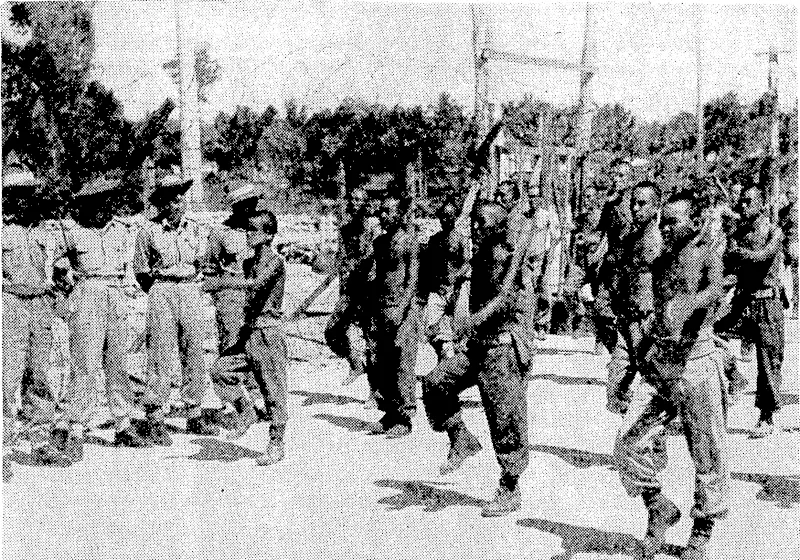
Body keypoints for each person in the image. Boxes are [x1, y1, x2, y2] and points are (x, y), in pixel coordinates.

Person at [613, 191, 729, 560]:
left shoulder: (707, 251)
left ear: (693, 223)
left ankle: (702, 530)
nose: (665, 227)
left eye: (673, 221)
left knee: (707, 456)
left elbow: (715, 289)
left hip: (698, 365)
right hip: (667, 368)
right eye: (664, 221)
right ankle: (659, 507)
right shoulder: (661, 262)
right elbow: (649, 315)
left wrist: (688, 305)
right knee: (632, 444)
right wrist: (629, 372)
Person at [422, 201, 532, 517]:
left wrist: (473, 319)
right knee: (435, 383)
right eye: (473, 222)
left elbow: (505, 298)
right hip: (476, 346)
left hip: (502, 349)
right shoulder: (480, 256)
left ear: (498, 226)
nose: (475, 228)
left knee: (505, 421)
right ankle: (460, 436)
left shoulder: (502, 255)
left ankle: (509, 486)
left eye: (482, 223)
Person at [52, 178, 149, 459]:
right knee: (86, 363)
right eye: (96, 202)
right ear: (87, 204)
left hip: (117, 293)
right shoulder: (73, 233)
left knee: (117, 361)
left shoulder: (122, 230)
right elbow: (59, 267)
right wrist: (71, 288)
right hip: (88, 293)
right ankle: (76, 428)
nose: (103, 207)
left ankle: (123, 423)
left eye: (107, 201)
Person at [133, 175, 219, 445]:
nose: (179, 201)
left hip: (190, 289)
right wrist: (160, 289)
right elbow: (141, 270)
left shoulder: (195, 229)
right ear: (162, 202)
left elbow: (204, 262)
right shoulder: (149, 230)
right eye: (172, 197)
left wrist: (191, 284)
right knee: (160, 352)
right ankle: (155, 414)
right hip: (162, 289)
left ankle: (194, 411)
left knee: (193, 349)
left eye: (181, 195)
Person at [208, 210, 289, 465]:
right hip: (250, 331)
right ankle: (246, 411)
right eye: (246, 230)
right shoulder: (249, 263)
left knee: (272, 389)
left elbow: (256, 284)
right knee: (220, 369)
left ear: (269, 235)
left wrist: (221, 282)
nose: (248, 235)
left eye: (254, 231)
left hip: (268, 333)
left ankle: (276, 443)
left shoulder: (275, 262)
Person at [2, 163, 65, 470]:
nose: (23, 199)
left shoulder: (46, 230)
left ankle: (40, 441)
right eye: (16, 194)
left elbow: (61, 264)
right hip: (10, 304)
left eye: (28, 193)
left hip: (40, 304)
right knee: (7, 376)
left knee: (40, 375)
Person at [718, 184, 785, 437]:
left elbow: (763, 257)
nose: (742, 206)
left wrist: (736, 254)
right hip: (742, 302)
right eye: (741, 202)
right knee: (706, 330)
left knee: (768, 362)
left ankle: (766, 416)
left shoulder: (773, 232)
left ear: (761, 204)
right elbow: (730, 268)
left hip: (768, 304)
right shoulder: (739, 233)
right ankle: (734, 375)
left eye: (748, 201)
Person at [203, 183, 266, 438]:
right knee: (231, 348)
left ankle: (258, 401)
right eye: (245, 205)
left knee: (255, 346)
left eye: (253, 203)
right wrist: (220, 294)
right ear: (235, 207)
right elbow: (209, 267)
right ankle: (239, 404)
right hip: (230, 295)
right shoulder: (220, 232)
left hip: (253, 294)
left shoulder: (259, 229)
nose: (250, 208)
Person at [365, 195, 421, 438]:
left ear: (400, 214)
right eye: (381, 212)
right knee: (383, 363)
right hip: (381, 308)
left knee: (402, 363)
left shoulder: (410, 242)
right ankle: (389, 412)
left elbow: (412, 280)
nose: (383, 216)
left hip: (402, 310)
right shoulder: (379, 243)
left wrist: (402, 308)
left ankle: (405, 417)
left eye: (388, 212)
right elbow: (376, 276)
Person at [606, 181, 662, 414]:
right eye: (633, 204)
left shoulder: (659, 242)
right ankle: (634, 438)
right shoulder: (629, 238)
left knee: (653, 385)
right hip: (626, 320)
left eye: (642, 203)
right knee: (616, 386)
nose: (636, 208)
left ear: (656, 206)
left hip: (647, 321)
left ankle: (650, 444)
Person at [324, 187, 378, 386]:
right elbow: (342, 255)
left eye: (359, 200)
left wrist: (359, 268)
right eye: (352, 199)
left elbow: (374, 255)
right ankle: (356, 363)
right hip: (350, 285)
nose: (354, 203)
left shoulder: (372, 226)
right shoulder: (345, 227)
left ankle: (374, 389)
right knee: (336, 329)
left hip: (369, 286)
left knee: (371, 335)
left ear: (366, 202)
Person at [419, 200, 470, 362]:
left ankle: (449, 361)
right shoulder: (434, 240)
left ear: (455, 217)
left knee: (457, 331)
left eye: (450, 216)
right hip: (437, 290)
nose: (446, 220)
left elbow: (467, 262)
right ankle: (445, 357)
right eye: (443, 217)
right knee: (430, 330)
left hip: (456, 290)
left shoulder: (461, 239)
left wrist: (456, 278)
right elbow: (427, 266)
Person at [778, 185, 798, 319]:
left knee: (796, 278)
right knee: (778, 274)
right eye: (788, 193)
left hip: (794, 244)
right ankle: (782, 298)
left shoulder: (796, 210)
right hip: (784, 245)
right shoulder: (784, 210)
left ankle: (796, 306)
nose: (790, 195)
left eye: (793, 193)